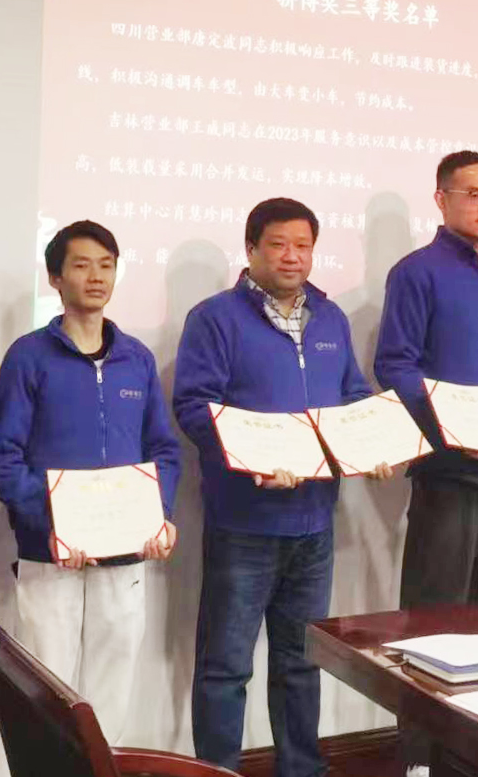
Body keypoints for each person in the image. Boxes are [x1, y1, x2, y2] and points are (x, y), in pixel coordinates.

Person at [174, 197, 385, 777]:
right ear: (251, 249)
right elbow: (194, 405)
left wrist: (373, 441)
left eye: (303, 246)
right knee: (226, 666)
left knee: (300, 662)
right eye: (278, 244)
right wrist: (252, 459)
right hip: (244, 521)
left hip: (315, 522)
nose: (292, 257)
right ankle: (217, 771)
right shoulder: (214, 318)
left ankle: (301, 768)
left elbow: (354, 395)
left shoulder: (330, 317)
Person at [0, 220, 181, 743]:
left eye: (106, 265)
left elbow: (163, 450)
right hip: (51, 554)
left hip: (126, 555)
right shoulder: (29, 357)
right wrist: (51, 522)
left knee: (111, 694)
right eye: (81, 265)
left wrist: (159, 516)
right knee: (46, 692)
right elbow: (3, 458)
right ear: (55, 277)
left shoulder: (137, 359)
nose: (96, 276)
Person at [375, 151, 478, 607]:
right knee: (438, 615)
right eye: (473, 195)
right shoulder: (415, 272)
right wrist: (455, 430)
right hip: (451, 473)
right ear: (441, 199)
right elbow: (395, 365)